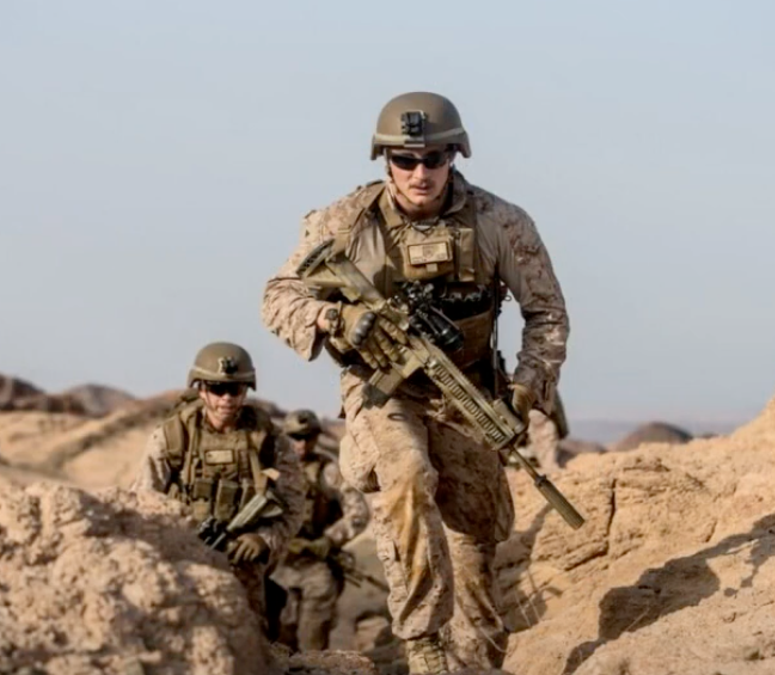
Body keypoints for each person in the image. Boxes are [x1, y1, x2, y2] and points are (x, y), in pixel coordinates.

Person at [260, 92, 569, 673]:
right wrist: (334, 317)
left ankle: (476, 658)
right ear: (385, 161)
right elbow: (278, 295)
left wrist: (525, 392)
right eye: (405, 161)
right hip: (384, 389)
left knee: (479, 533)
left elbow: (548, 315)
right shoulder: (345, 221)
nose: (420, 173)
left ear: (456, 156)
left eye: (433, 158)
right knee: (406, 475)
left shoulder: (499, 222)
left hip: (468, 392)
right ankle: (423, 641)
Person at [130, 342, 306, 627]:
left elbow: (294, 503)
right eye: (216, 389)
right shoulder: (172, 437)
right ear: (200, 389)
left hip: (241, 560)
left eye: (235, 390)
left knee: (248, 635)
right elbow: (142, 502)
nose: (226, 399)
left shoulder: (268, 439)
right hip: (184, 554)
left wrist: (264, 539)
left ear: (246, 390)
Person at [270, 409, 371, 651]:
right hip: (278, 565)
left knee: (312, 643)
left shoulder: (329, 471)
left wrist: (328, 540)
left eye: (308, 437)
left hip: (316, 566)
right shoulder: (270, 470)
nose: (302, 444)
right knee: (278, 644)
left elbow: (358, 513)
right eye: (295, 437)